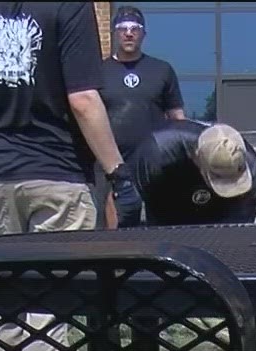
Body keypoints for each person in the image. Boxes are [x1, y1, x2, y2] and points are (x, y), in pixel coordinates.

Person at [0, 1, 128, 234]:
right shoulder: (70, 7)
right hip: (59, 175)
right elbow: (83, 99)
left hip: (2, 176)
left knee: (11, 268)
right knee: (63, 269)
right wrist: (117, 172)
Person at [99, 5, 186, 227]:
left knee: (159, 229)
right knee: (115, 232)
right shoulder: (98, 72)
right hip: (112, 166)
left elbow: (178, 119)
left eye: (135, 28)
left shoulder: (162, 70)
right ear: (115, 33)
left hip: (154, 165)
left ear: (143, 34)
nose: (129, 33)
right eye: (123, 28)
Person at [129, 119, 256, 225]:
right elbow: (130, 210)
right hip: (163, 218)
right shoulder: (154, 155)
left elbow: (238, 231)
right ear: (196, 157)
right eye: (218, 178)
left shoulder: (255, 174)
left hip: (220, 220)